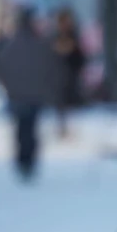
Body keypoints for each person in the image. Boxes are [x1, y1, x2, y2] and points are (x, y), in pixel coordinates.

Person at [0, 7, 64, 181]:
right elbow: (51, 69)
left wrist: (10, 87)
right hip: (34, 96)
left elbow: (2, 69)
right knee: (30, 129)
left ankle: (23, 161)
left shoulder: (12, 45)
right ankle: (28, 161)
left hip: (19, 96)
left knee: (22, 129)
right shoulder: (40, 45)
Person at [51, 8, 86, 139]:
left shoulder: (74, 36)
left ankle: (70, 131)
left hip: (71, 76)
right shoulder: (54, 36)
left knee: (71, 104)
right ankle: (62, 129)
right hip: (58, 77)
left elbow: (80, 57)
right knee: (60, 104)